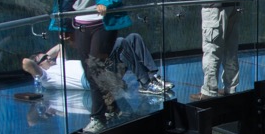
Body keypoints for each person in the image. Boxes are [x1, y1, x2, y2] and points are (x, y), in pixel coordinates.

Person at [50, 0, 131, 133]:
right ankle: (115, 105)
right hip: (79, 23)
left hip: (102, 22)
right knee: (90, 70)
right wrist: (63, 26)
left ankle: (98, 118)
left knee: (96, 66)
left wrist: (105, 2)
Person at [22, 32, 173, 94]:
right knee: (119, 42)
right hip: (95, 79)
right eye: (45, 59)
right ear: (39, 66)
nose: (50, 58)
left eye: (49, 57)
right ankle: (145, 84)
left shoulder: (60, 64)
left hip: (101, 71)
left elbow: (60, 46)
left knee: (133, 37)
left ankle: (153, 76)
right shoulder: (46, 77)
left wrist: (46, 56)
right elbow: (26, 63)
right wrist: (40, 60)